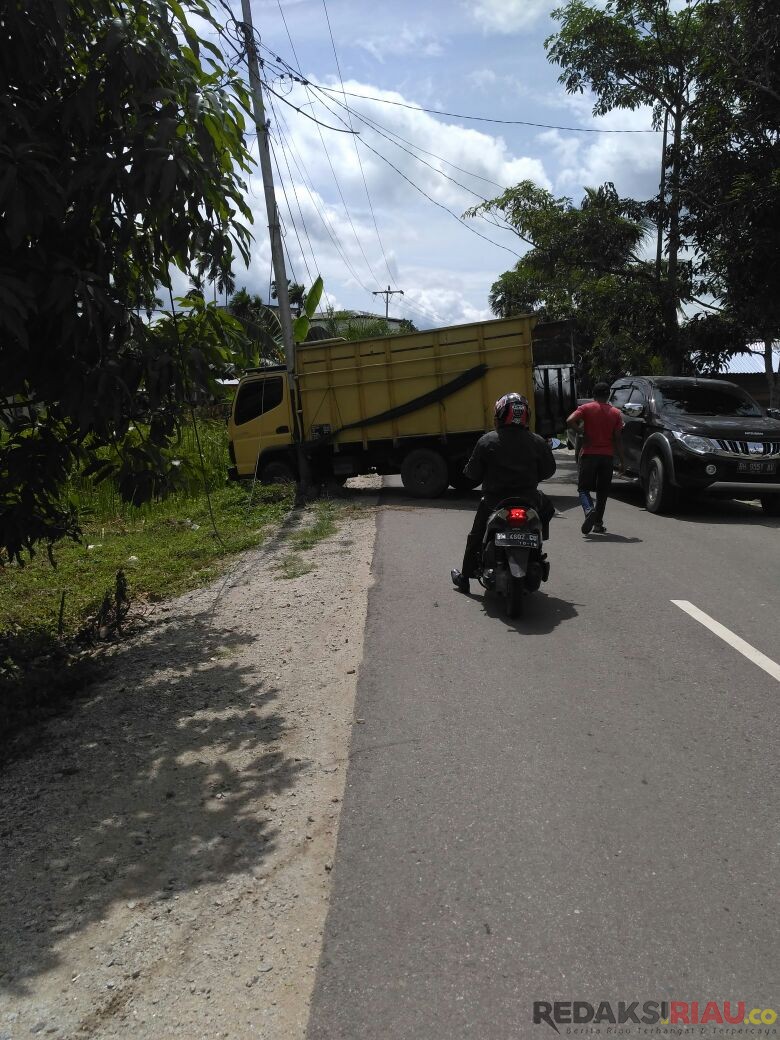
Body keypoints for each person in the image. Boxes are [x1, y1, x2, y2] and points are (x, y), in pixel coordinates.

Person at [451, 393, 556, 594]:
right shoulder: (537, 441)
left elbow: (472, 474)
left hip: (494, 501)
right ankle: (538, 542)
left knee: (476, 535)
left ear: (499, 415)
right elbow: (549, 470)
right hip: (530, 500)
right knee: (548, 510)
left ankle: (464, 579)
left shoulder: (487, 440)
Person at [567, 381, 625, 535]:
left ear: (593, 395)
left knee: (583, 489)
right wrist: (623, 461)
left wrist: (581, 432)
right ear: (608, 396)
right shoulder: (616, 413)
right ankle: (598, 524)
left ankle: (588, 510)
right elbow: (618, 439)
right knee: (602, 492)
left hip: (589, 455)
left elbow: (569, 421)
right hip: (607, 457)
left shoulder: (586, 408)